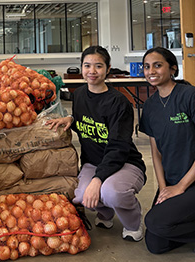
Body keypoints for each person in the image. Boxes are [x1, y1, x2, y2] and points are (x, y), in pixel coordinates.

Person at [46, 45, 146, 241]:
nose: (92, 71)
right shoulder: (80, 94)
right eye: (87, 65)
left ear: (108, 69)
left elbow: (118, 147)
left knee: (112, 192)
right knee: (81, 195)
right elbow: (88, 124)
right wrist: (71, 120)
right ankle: (106, 214)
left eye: (98, 66)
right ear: (81, 68)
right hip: (94, 161)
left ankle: (133, 222)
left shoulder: (119, 103)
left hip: (125, 162)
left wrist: (97, 179)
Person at [139, 47, 195, 254]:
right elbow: (156, 153)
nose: (151, 71)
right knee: (156, 244)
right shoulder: (151, 106)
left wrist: (180, 187)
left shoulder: (189, 95)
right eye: (146, 67)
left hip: (190, 181)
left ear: (172, 69)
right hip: (172, 181)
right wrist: (164, 189)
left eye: (157, 65)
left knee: (156, 222)